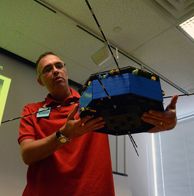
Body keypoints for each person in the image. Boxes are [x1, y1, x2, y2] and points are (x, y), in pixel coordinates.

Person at [18, 52, 178, 196]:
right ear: (40, 81)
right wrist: (64, 134)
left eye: (59, 66)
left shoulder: (94, 100)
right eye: (47, 69)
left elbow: (139, 122)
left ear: (65, 71)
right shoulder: (32, 110)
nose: (55, 70)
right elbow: (27, 155)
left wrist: (167, 122)